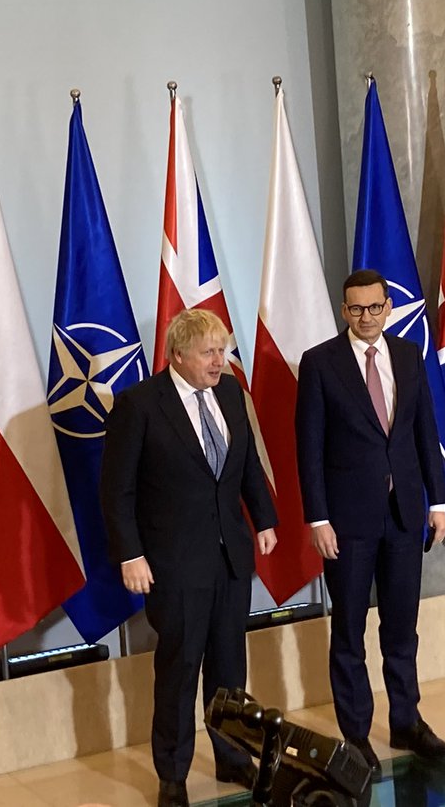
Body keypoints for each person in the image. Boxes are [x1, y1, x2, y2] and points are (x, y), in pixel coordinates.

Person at [101, 308, 278, 807]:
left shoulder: (229, 394)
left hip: (230, 557)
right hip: (173, 562)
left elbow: (243, 466)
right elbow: (118, 492)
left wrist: (263, 519)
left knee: (229, 667)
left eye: (222, 350)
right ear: (177, 355)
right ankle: (173, 774)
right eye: (208, 352)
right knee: (180, 670)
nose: (219, 361)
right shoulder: (139, 405)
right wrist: (130, 555)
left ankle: (233, 757)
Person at [294, 268, 445, 777]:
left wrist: (438, 503)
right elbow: (310, 449)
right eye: (356, 309)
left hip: (406, 513)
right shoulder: (320, 364)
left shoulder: (407, 354)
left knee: (402, 625)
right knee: (349, 629)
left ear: (388, 307)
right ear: (344, 311)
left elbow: (426, 432)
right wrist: (317, 517)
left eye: (374, 307)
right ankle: (356, 734)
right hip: (346, 520)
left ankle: (406, 720)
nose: (366, 317)